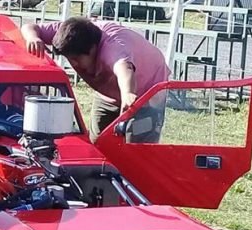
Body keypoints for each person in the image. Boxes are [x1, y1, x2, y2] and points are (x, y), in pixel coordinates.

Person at [21, 17, 171, 143]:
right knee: (98, 143)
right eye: (69, 59)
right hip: (108, 93)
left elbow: (124, 69)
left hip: (145, 94)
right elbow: (30, 27)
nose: (73, 64)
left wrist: (128, 94)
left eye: (76, 59)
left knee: (137, 149)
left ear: (93, 49)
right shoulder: (70, 33)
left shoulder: (113, 49)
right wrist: (33, 38)